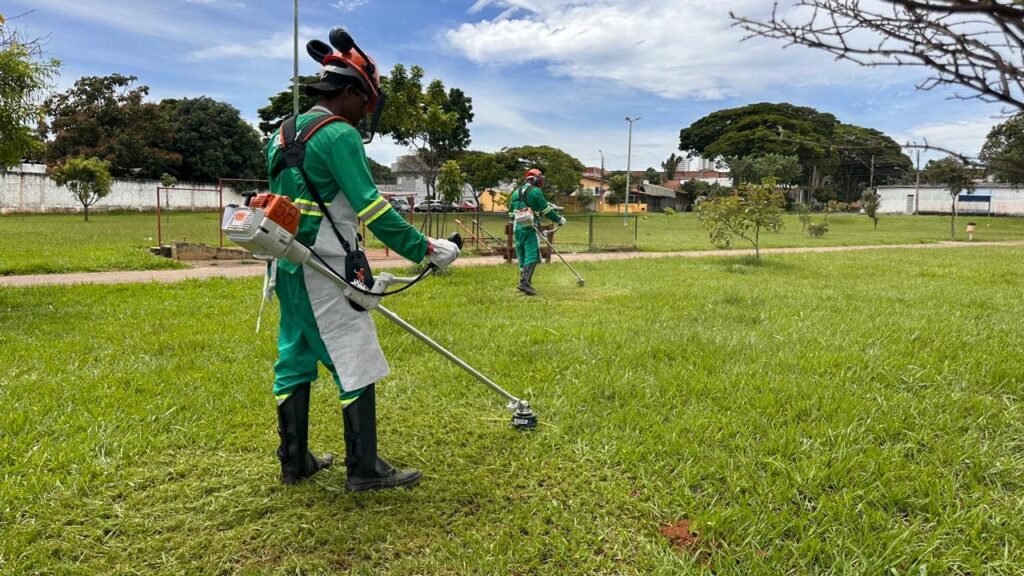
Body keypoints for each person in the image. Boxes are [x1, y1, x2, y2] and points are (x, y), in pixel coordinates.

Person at [265, 30, 460, 491]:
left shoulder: (282, 133)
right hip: (326, 268)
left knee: (294, 357)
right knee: (353, 356)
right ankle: (364, 467)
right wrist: (428, 250)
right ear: (349, 93)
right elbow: (372, 209)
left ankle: (294, 462)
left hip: (284, 264)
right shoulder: (338, 135)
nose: (366, 114)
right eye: (366, 102)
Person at [508, 168, 565, 295]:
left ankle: (523, 280)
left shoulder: (515, 192)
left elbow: (511, 212)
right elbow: (546, 210)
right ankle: (525, 283)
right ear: (535, 179)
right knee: (531, 254)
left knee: (521, 253)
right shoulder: (536, 192)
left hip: (517, 227)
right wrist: (559, 219)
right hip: (530, 227)